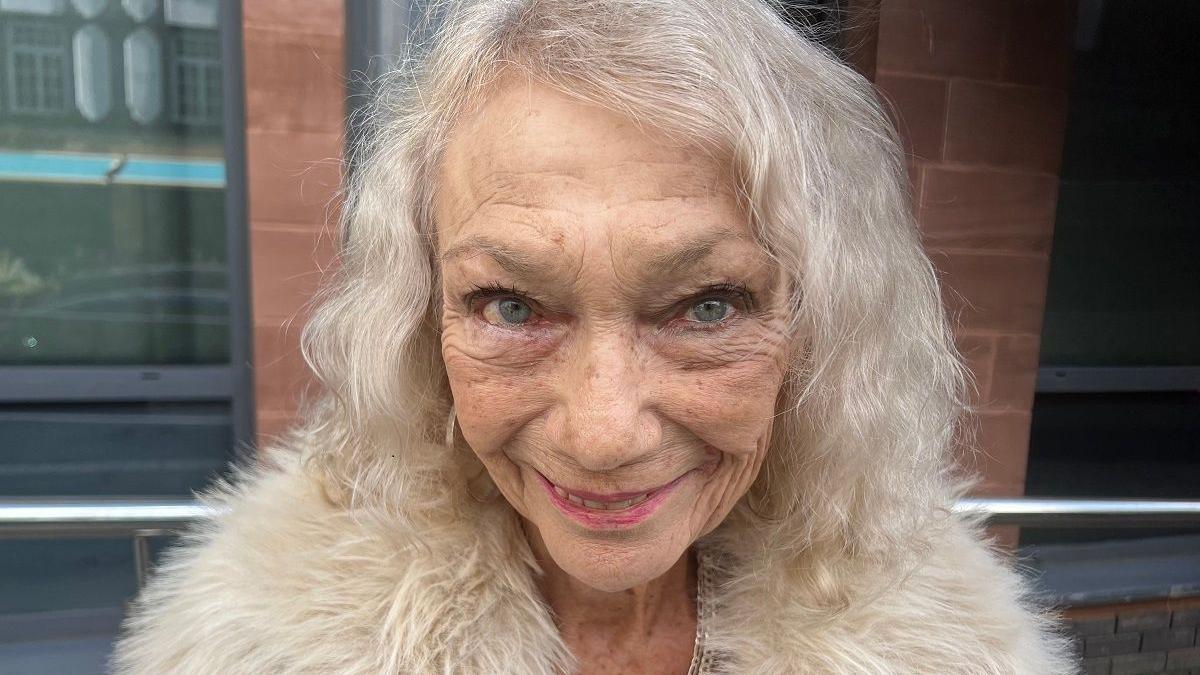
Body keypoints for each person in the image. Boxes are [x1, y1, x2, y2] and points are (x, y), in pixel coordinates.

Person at [111, 0, 1075, 672]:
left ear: (820, 326)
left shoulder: (951, 644)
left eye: (707, 304)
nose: (602, 434)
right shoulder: (256, 641)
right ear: (417, 321)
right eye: (512, 305)